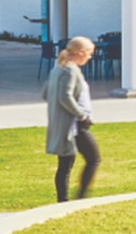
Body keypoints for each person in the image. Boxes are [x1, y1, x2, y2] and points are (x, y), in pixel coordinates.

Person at [43, 36, 100, 202]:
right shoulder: (70, 70)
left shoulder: (59, 68)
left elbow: (47, 93)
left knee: (65, 165)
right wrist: (81, 115)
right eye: (89, 53)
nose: (90, 57)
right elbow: (64, 96)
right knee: (93, 159)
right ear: (81, 52)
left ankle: (63, 200)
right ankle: (78, 198)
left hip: (69, 124)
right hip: (74, 125)